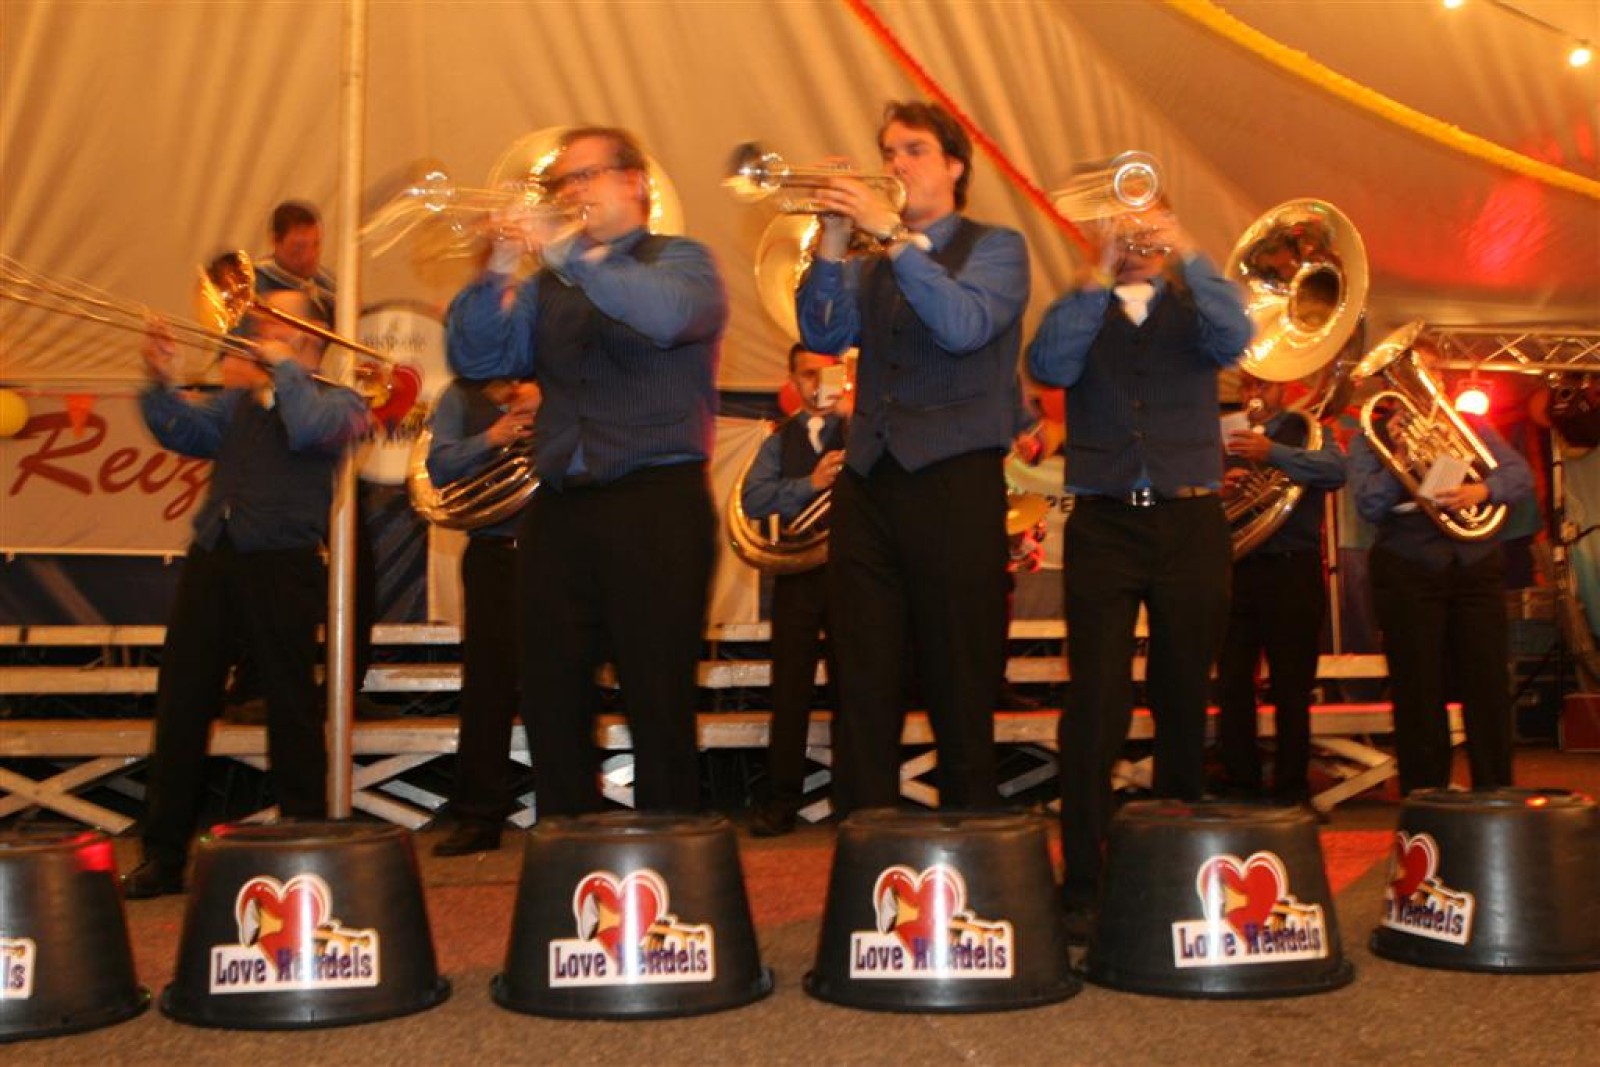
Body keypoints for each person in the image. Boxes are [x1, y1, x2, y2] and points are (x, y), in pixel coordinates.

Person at [446, 126, 725, 815]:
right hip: (562, 506)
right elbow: (479, 361)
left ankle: (670, 856)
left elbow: (665, 317)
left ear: (635, 182)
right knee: (550, 694)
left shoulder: (681, 260)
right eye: (562, 182)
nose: (570, 192)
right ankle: (565, 846)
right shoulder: (547, 285)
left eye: (585, 176)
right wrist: (498, 267)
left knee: (657, 695)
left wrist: (568, 246)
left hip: (655, 502)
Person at [795, 100, 1030, 812]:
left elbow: (964, 326)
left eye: (914, 150)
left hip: (955, 476)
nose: (896, 163)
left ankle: (972, 835)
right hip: (871, 477)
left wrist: (894, 236)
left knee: (959, 670)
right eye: (889, 151)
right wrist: (834, 241)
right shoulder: (870, 262)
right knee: (862, 670)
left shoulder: (997, 247)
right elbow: (821, 335)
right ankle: (864, 828)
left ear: (955, 165)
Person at [1027, 200, 1253, 935]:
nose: (1137, 238)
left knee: (1183, 693)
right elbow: (1048, 365)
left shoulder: (1196, 308)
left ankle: (1180, 872)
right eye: (1123, 227)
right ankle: (1084, 880)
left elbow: (1239, 336)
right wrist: (1097, 270)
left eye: (1147, 225)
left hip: (1190, 518)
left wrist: (1185, 246)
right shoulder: (1081, 306)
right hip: (1104, 519)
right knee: (1095, 702)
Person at [122, 290, 370, 898]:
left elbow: (308, 428)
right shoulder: (237, 402)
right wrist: (161, 380)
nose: (254, 327)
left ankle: (306, 843)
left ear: (307, 335)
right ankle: (163, 853)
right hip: (216, 555)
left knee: (290, 703)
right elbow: (182, 428)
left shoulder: (342, 403)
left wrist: (283, 368)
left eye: (271, 320)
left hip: (282, 562)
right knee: (182, 702)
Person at [1348, 350, 1534, 794]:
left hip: (1474, 563)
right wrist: (1399, 457)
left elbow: (1519, 474)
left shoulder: (1469, 424)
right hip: (1408, 565)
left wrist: (1482, 490)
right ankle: (1425, 795)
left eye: (1429, 371)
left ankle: (1495, 792)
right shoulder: (1370, 434)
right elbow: (1369, 504)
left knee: (1487, 683)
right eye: (1412, 372)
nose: (1423, 380)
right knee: (1417, 688)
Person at [1216, 371, 1348, 805]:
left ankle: (1292, 790)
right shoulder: (1226, 434)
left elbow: (1335, 471)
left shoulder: (1307, 429)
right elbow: (1199, 492)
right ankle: (1241, 785)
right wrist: (1223, 491)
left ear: (1283, 388)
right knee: (1233, 683)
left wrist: (1273, 453)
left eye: (1264, 385)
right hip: (1238, 567)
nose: (1254, 394)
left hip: (1293, 566)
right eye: (1248, 386)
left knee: (1293, 685)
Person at [426, 375, 540, 855]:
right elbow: (437, 466)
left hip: (556, 552)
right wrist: (492, 437)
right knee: (487, 687)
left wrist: (552, 415)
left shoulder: (559, 380)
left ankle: (568, 811)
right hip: (494, 553)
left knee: (561, 684)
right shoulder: (459, 395)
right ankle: (478, 816)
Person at [740, 345, 849, 835]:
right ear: (792, 380)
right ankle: (781, 800)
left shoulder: (863, 430)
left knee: (856, 688)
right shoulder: (778, 440)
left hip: (853, 575)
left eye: (826, 374)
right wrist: (811, 483)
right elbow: (754, 498)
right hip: (798, 575)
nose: (817, 384)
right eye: (807, 375)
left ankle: (857, 800)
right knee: (789, 690)